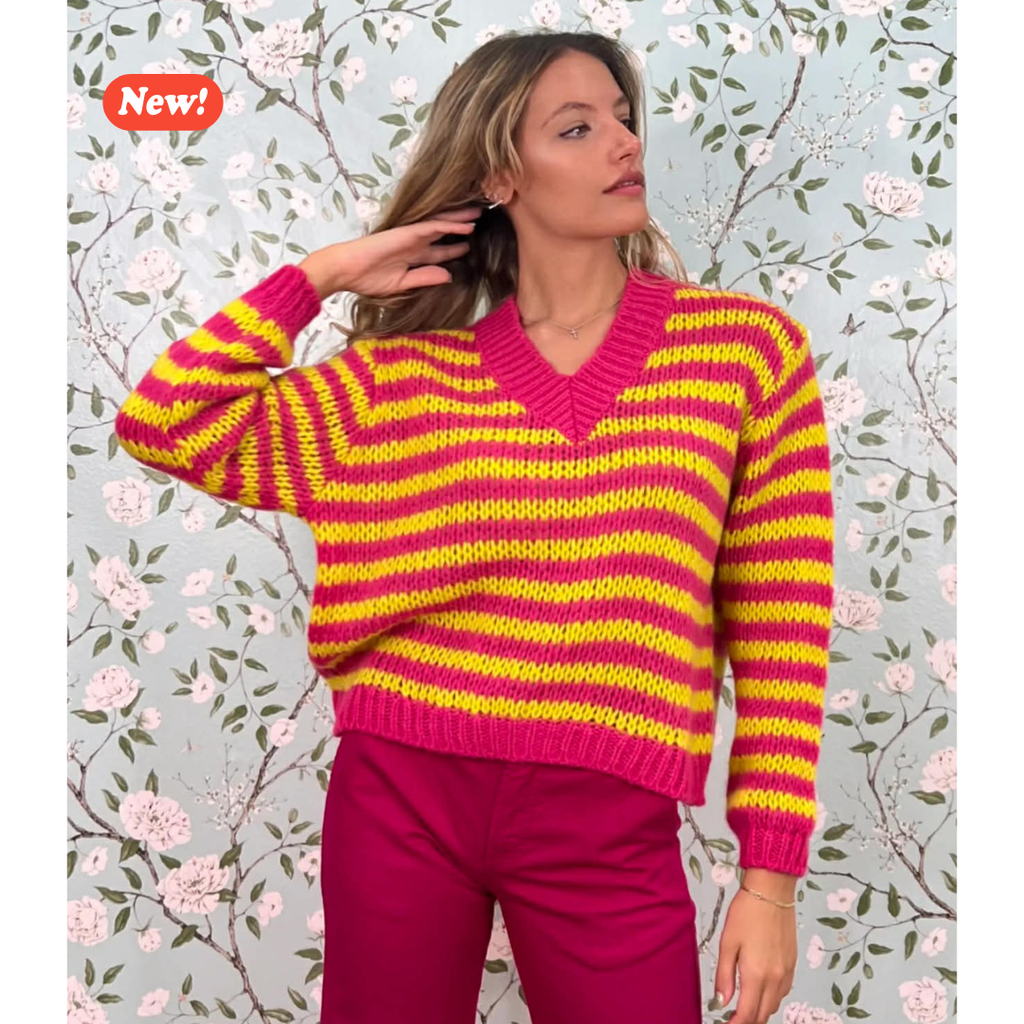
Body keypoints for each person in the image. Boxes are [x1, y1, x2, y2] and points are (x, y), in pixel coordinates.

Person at [115, 29, 835, 1024]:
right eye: (575, 128)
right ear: (499, 173)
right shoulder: (399, 382)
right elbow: (164, 421)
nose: (624, 142)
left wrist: (771, 878)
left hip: (609, 817)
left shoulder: (743, 355)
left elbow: (781, 627)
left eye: (623, 117)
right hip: (399, 798)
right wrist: (321, 275)